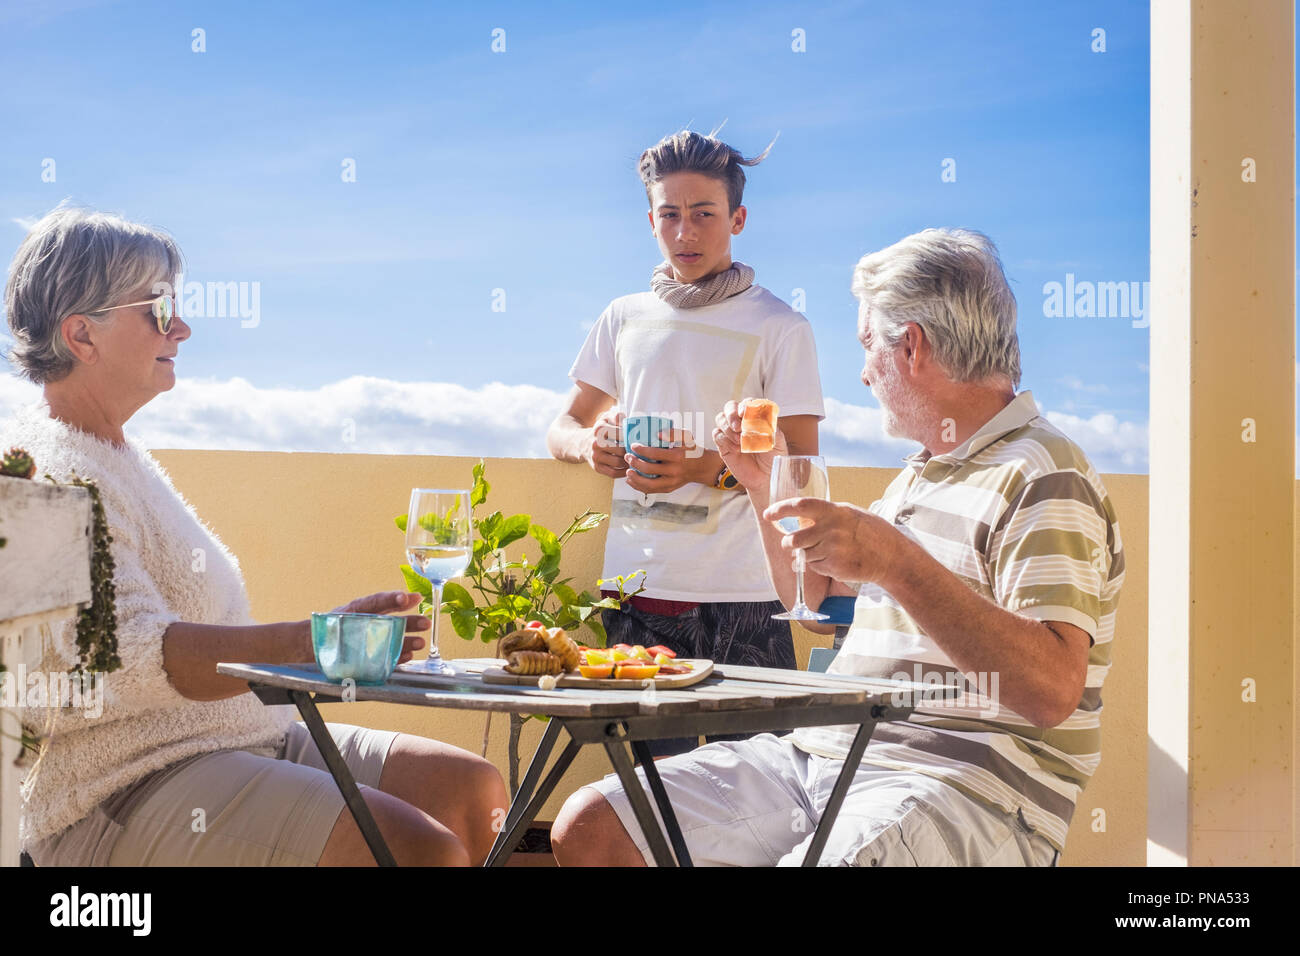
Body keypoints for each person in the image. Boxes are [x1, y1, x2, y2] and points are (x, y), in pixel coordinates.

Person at [552, 228, 1125, 866]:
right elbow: (816, 600)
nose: (863, 372)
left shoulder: (1044, 472)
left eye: (867, 347)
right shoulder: (924, 469)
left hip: (968, 780)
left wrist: (896, 561)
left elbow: (1050, 690)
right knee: (597, 825)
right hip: (828, 753)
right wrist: (760, 481)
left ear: (912, 346)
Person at [2, 205, 508, 866]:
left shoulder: (120, 460)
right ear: (81, 334)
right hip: (120, 786)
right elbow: (116, 660)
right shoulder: (40, 475)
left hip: (240, 737)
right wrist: (308, 643)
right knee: (419, 851)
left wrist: (317, 644)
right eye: (156, 308)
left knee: (467, 789)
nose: (180, 327)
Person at [545, 129, 825, 755]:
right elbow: (561, 427)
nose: (685, 232)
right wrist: (590, 446)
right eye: (670, 215)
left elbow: (803, 466)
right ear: (651, 220)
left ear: (738, 218)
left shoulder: (781, 325)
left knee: (760, 796)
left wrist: (704, 467)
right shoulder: (622, 317)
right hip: (634, 597)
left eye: (704, 215)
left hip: (748, 598)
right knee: (645, 801)